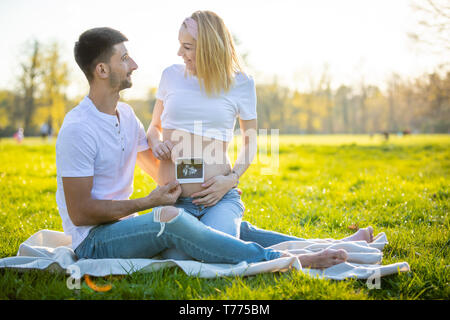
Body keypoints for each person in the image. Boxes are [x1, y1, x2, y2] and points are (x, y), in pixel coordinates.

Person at [56, 26, 373, 270]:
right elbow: (81, 212)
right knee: (169, 219)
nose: (134, 64)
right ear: (101, 70)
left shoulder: (124, 115)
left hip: (121, 226)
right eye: (124, 58)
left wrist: (209, 183)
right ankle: (284, 260)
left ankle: (330, 244)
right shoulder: (78, 128)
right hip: (94, 242)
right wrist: (148, 202)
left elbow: (158, 168)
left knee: (215, 228)